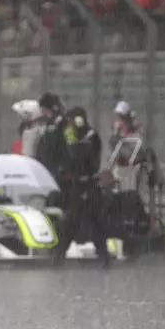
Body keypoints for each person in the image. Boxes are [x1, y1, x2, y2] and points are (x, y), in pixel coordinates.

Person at [52, 106, 111, 268]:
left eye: (72, 120)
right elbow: (68, 161)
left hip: (90, 184)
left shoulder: (91, 136)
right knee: (71, 221)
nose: (70, 124)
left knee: (96, 221)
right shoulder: (72, 136)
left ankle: (104, 256)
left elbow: (85, 159)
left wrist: (73, 144)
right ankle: (59, 255)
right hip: (76, 185)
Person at [34, 92, 71, 186]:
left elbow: (69, 145)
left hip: (56, 171)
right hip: (49, 169)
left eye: (44, 109)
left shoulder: (63, 124)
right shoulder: (49, 124)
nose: (42, 112)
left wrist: (63, 167)